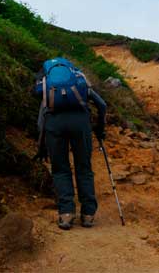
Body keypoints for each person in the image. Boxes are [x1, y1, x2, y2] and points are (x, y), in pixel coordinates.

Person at [34, 57, 107, 230]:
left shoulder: (48, 86)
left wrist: (42, 144)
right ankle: (88, 215)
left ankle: (66, 214)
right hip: (81, 124)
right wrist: (100, 128)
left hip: (54, 125)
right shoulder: (79, 82)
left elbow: (41, 119)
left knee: (60, 169)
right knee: (84, 168)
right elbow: (102, 105)